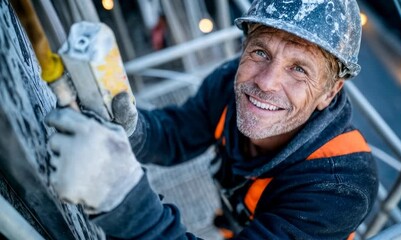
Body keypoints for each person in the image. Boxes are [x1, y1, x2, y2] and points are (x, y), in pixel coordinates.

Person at [45, 0, 378, 239]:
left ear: (329, 93)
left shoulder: (340, 187)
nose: (266, 82)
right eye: (260, 52)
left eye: (299, 69)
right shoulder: (228, 84)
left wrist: (123, 201)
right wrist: (131, 128)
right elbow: (178, 133)